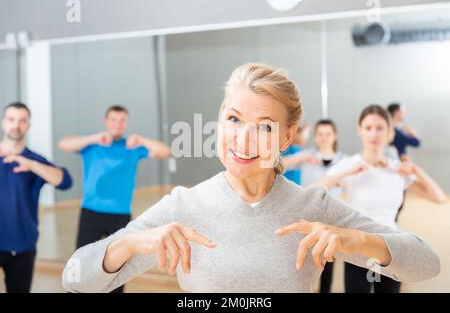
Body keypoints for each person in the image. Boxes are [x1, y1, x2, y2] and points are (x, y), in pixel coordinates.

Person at [62, 64, 440, 293]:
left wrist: (358, 240)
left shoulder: (314, 207)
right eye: (233, 119)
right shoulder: (183, 207)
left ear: (287, 138)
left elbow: (427, 263)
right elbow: (75, 277)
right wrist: (130, 243)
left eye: (264, 127)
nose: (242, 138)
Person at [316, 105, 447, 293]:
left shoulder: (397, 169)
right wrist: (345, 173)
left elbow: (439, 197)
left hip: (390, 248)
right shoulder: (349, 165)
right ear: (360, 130)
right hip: (358, 249)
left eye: (380, 128)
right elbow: (314, 191)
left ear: (390, 133)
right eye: (368, 128)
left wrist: (417, 171)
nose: (374, 134)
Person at [58, 105, 171, 293]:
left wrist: (141, 139)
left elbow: (165, 151)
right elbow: (64, 144)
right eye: (113, 120)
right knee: (82, 262)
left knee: (118, 266)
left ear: (126, 124)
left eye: (121, 121)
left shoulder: (132, 147)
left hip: (120, 215)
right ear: (106, 121)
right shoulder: (92, 145)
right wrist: (94, 138)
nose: (117, 124)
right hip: (91, 212)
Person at [0, 102, 72, 293]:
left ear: (28, 126)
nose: (16, 125)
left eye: (22, 120)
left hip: (23, 247)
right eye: (11, 119)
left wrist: (31, 165)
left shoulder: (34, 161)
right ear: (3, 123)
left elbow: (65, 181)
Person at [283, 119, 346, 293]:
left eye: (328, 134)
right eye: (320, 134)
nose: (324, 138)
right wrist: (301, 157)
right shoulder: (305, 156)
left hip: (332, 220)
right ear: (315, 136)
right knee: (303, 263)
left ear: (335, 136)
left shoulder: (344, 161)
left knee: (327, 263)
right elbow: (276, 164)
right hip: (307, 219)